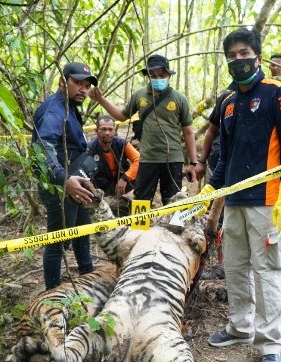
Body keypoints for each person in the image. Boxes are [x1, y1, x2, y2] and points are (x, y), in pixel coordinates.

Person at [202, 28, 281, 362]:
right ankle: (240, 327)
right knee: (237, 268)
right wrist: (211, 189)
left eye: (244, 53)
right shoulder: (228, 103)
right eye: (232, 55)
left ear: (257, 55)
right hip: (235, 203)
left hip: (268, 201)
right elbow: (224, 157)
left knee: (267, 270)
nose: (238, 60)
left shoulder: (278, 93)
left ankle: (269, 345)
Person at [90, 54, 197, 205]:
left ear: (169, 76)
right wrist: (101, 99)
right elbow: (121, 116)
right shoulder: (139, 95)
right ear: (148, 76)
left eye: (162, 75)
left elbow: (188, 131)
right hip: (147, 158)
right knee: (141, 201)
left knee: (172, 203)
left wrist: (193, 162)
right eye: (153, 75)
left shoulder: (179, 99)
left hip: (173, 158)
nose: (158, 78)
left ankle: (170, 229)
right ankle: (140, 230)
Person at [31, 61, 98, 290]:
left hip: (74, 180)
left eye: (87, 85)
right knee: (59, 242)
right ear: (62, 81)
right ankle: (52, 292)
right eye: (78, 83)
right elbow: (43, 147)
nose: (83, 89)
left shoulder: (70, 107)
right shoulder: (53, 110)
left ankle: (88, 274)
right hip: (59, 185)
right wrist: (63, 179)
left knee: (82, 228)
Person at [88, 115, 140, 198]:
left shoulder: (122, 143)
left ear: (115, 131)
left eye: (110, 129)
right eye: (103, 129)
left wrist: (125, 178)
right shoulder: (89, 148)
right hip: (100, 187)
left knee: (144, 172)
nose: (107, 133)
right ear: (96, 131)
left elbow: (139, 159)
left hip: (122, 183)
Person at [195, 88, 233, 183]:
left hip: (237, 170)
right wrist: (201, 161)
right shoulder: (226, 97)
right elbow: (212, 131)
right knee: (209, 196)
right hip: (214, 163)